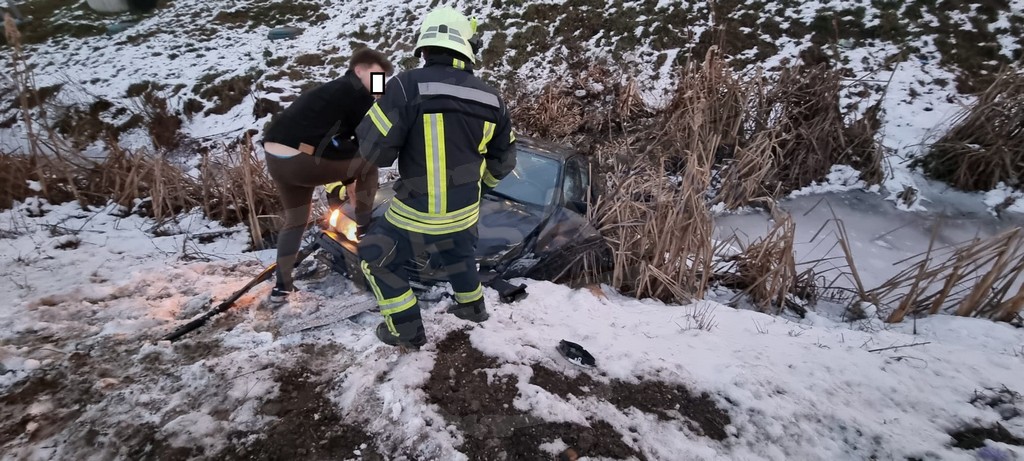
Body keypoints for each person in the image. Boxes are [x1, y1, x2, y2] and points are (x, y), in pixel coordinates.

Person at [354, 7, 518, 349]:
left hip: (417, 213)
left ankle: (406, 331)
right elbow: (503, 162)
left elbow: (375, 151)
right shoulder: (493, 98)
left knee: (374, 257)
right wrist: (479, 189)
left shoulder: (402, 84)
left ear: (424, 48)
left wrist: (379, 99)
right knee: (458, 251)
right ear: (466, 48)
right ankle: (472, 307)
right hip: (464, 212)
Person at [261, 48, 394, 305]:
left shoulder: (333, 92)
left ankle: (282, 286)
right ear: (359, 70)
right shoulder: (356, 92)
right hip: (301, 158)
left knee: (296, 221)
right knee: (369, 163)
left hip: (277, 159)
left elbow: (340, 143)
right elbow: (365, 142)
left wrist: (348, 179)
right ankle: (366, 228)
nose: (381, 84)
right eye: (378, 76)